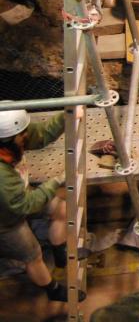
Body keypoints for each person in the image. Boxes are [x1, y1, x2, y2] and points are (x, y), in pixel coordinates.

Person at [0, 107, 85, 302]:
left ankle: (61, 254)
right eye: (22, 134)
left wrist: (67, 116)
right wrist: (54, 183)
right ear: (9, 138)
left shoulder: (10, 143)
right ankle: (53, 290)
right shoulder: (2, 175)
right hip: (6, 221)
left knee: (61, 210)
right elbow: (23, 206)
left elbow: (40, 134)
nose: (26, 136)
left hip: (18, 197)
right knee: (32, 255)